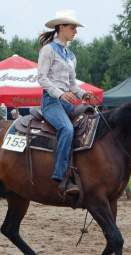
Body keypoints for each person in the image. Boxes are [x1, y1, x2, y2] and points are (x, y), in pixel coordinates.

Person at [37, 9, 94, 196]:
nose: (75, 32)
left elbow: (72, 85)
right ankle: (61, 174)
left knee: (92, 123)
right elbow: (42, 78)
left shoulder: (71, 56)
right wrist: (60, 94)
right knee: (67, 129)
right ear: (61, 27)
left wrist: (83, 93)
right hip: (51, 102)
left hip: (66, 103)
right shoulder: (48, 50)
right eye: (72, 28)